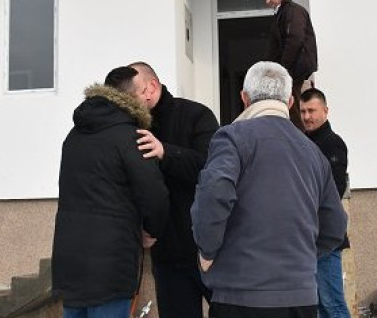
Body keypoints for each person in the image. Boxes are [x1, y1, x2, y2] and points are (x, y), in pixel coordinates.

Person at [192, 61, 348, 318]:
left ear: (244, 98)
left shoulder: (231, 137)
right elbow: (335, 225)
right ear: (289, 102)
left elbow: (215, 192)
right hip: (301, 298)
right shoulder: (312, 151)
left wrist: (207, 251)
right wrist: (302, 256)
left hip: (241, 295)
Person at [52, 66, 170, 318]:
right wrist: (152, 230)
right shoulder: (131, 136)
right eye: (142, 93)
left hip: (70, 259)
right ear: (132, 97)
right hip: (111, 265)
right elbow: (154, 194)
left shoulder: (73, 136)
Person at [128, 62, 219, 318]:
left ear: (151, 88)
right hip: (167, 257)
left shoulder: (197, 115)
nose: (127, 106)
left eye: (131, 97)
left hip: (209, 254)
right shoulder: (133, 128)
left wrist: (166, 152)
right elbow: (133, 187)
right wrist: (140, 226)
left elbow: (211, 169)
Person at [300, 88, 351, 318]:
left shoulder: (333, 144)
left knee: (333, 304)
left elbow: (335, 191)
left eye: (312, 110)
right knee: (318, 306)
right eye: (302, 111)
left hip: (326, 238)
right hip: (307, 237)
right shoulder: (302, 142)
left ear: (326, 111)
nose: (307, 116)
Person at [263, 0, 318, 130]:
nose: (267, 1)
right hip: (292, 72)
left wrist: (283, 68)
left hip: (296, 72)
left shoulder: (293, 11)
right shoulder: (283, 12)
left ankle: (302, 144)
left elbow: (295, 39)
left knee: (297, 111)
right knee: (293, 109)